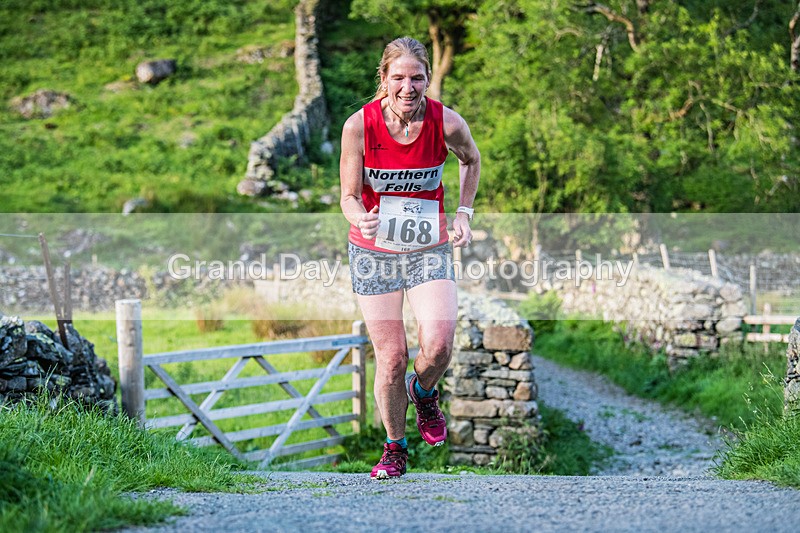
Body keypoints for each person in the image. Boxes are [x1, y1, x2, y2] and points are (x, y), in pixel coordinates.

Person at [339, 37, 481, 479]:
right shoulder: (359, 126)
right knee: (393, 357)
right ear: (383, 79)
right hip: (374, 249)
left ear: (427, 79)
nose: (407, 86)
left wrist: (463, 211)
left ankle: (424, 392)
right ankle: (395, 448)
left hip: (428, 246)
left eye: (416, 77)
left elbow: (471, 160)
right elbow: (347, 196)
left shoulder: (447, 122)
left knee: (438, 345)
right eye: (397, 77)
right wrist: (360, 217)